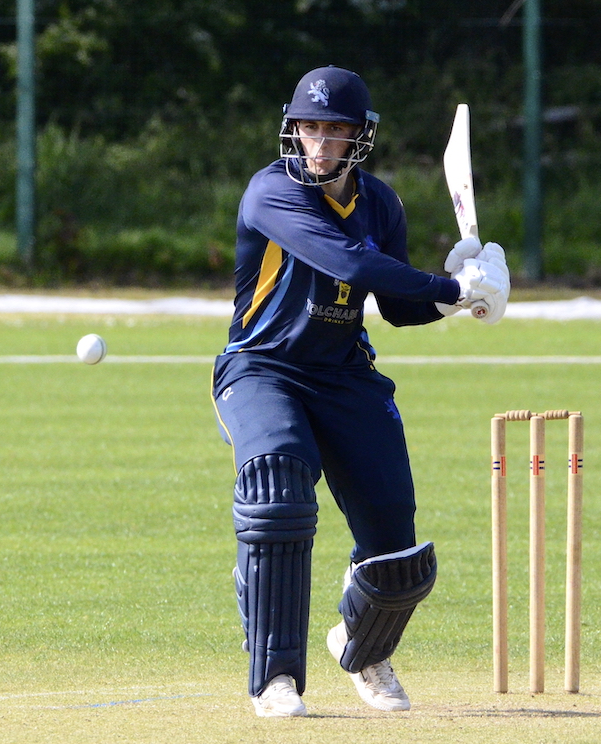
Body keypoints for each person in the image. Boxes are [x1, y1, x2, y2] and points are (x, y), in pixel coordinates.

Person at [210, 65, 510, 717]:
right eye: (309, 128)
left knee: (397, 550)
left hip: (344, 374)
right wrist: (448, 287)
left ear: (358, 138)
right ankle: (276, 677)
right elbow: (349, 261)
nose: (319, 144)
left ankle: (364, 644)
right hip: (263, 368)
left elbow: (398, 308)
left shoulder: (381, 203)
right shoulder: (272, 192)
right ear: (294, 131)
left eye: (334, 131)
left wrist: (463, 297)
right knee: (277, 488)